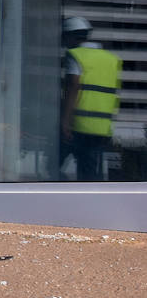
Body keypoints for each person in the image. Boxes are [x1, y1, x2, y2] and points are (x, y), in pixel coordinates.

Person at [60, 16, 121, 181]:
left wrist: (65, 121)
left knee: (51, 166)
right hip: (100, 128)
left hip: (78, 126)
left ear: (70, 36)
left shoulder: (75, 55)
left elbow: (73, 86)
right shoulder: (110, 59)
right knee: (88, 174)